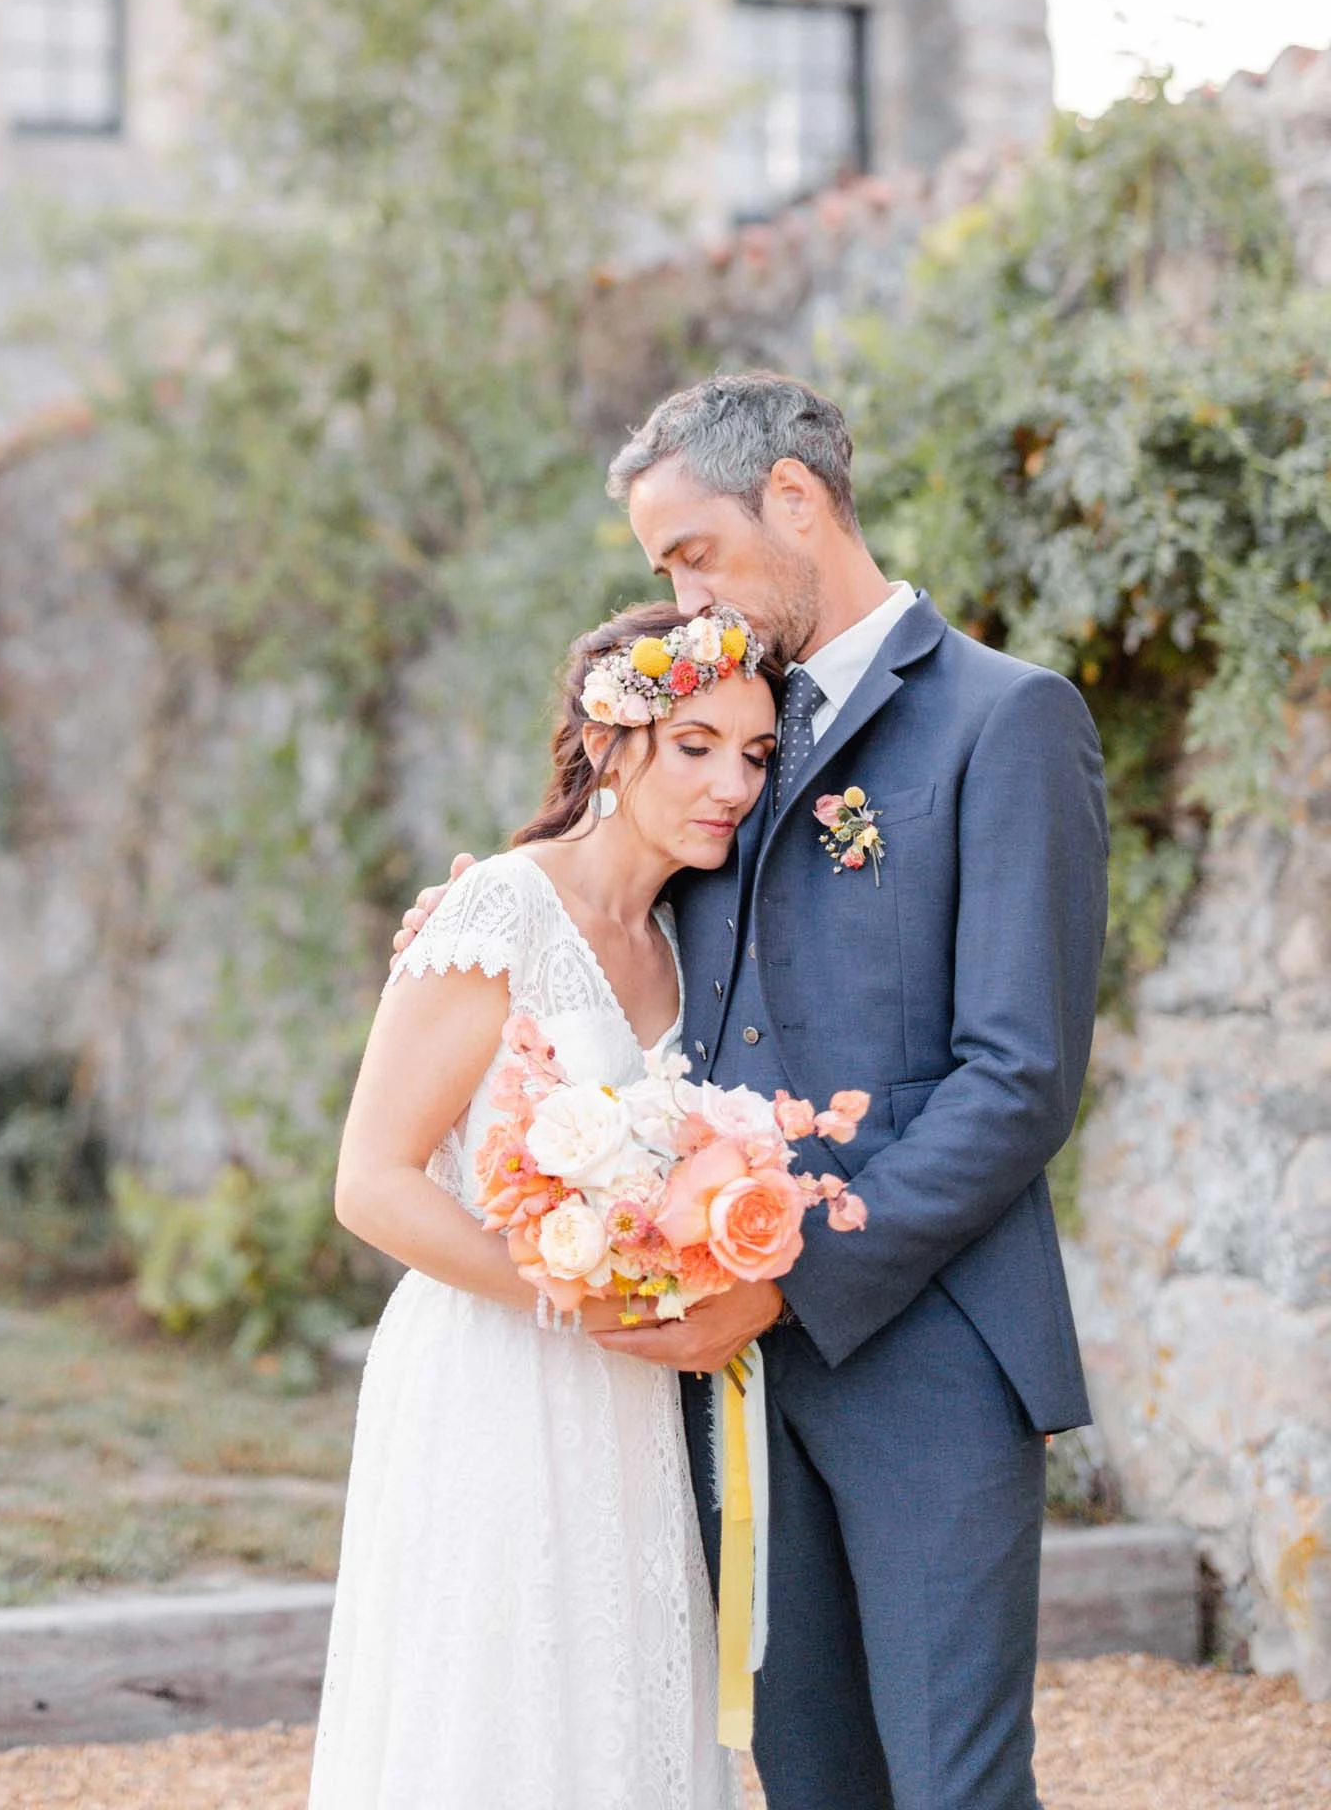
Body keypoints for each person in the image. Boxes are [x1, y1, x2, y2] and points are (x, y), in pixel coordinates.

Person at [394, 373, 1108, 1810]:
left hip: (932, 1359)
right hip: (724, 1379)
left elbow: (1019, 1078)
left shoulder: (1004, 722)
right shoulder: (721, 736)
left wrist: (790, 1277)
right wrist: (496, 921)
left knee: (957, 1787)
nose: (677, 590)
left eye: (692, 554)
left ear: (795, 500)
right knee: (807, 1777)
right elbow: (618, 944)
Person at [309, 600, 784, 1810]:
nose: (732, 780)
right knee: (494, 1708)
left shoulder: (690, 939)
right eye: (696, 745)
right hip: (494, 1369)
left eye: (756, 753)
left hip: (629, 1394)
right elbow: (371, 1182)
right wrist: (580, 1285)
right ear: (610, 744)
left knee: (618, 1708)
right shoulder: (497, 912)